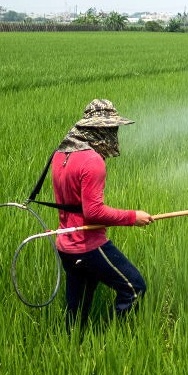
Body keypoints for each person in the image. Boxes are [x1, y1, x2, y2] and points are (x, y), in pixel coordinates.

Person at [52, 98, 153, 332]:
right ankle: (108, 337)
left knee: (76, 312)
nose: (114, 133)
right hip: (89, 246)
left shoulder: (60, 154)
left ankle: (74, 348)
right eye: (111, 129)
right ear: (98, 129)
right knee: (134, 288)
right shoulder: (92, 161)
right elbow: (93, 211)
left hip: (66, 245)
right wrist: (132, 217)